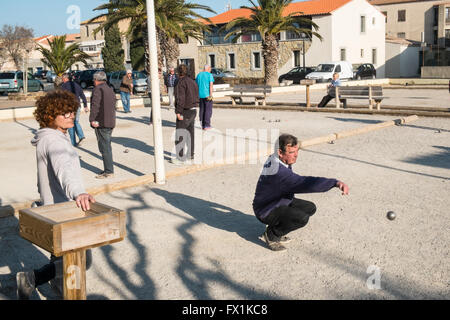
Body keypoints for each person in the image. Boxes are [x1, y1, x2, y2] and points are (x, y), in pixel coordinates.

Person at [16, 90, 95, 300]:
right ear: (50, 115)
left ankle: (33, 280)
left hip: (54, 207)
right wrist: (78, 192)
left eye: (71, 110)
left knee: (67, 259)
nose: (71, 115)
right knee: (78, 261)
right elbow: (64, 170)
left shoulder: (50, 137)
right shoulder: (55, 141)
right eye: (64, 112)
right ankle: (32, 279)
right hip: (64, 210)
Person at [252, 134, 349, 251]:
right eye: (292, 152)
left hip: (276, 200)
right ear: (280, 153)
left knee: (310, 208)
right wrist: (334, 183)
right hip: (266, 209)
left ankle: (276, 227)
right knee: (301, 218)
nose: (296, 155)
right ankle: (272, 235)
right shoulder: (278, 171)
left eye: (297, 151)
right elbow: (304, 183)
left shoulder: (275, 159)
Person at [89, 71, 117, 179]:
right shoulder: (110, 89)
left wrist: (92, 119)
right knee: (107, 146)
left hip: (101, 122)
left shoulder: (98, 90)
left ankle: (108, 171)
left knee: (104, 147)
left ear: (96, 80)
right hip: (110, 121)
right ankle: (108, 169)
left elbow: (95, 106)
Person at [172, 64, 199, 164]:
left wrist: (178, 111)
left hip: (185, 110)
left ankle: (180, 157)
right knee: (190, 134)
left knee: (180, 134)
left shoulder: (181, 82)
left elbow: (180, 98)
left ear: (179, 72)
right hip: (193, 110)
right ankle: (190, 154)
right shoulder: (193, 82)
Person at [60, 73, 89, 147]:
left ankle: (73, 142)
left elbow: (61, 98)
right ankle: (81, 136)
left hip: (69, 107)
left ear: (65, 78)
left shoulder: (63, 86)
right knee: (76, 121)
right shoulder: (76, 85)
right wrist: (85, 105)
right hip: (77, 105)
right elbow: (82, 95)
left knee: (70, 123)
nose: (62, 80)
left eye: (62, 79)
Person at [195, 64, 214, 130]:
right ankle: (207, 125)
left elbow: (196, 85)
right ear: (208, 68)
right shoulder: (210, 75)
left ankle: (202, 124)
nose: (210, 70)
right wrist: (211, 94)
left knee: (202, 109)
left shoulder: (199, 75)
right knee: (208, 110)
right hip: (207, 95)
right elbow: (211, 85)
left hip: (200, 95)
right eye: (210, 69)